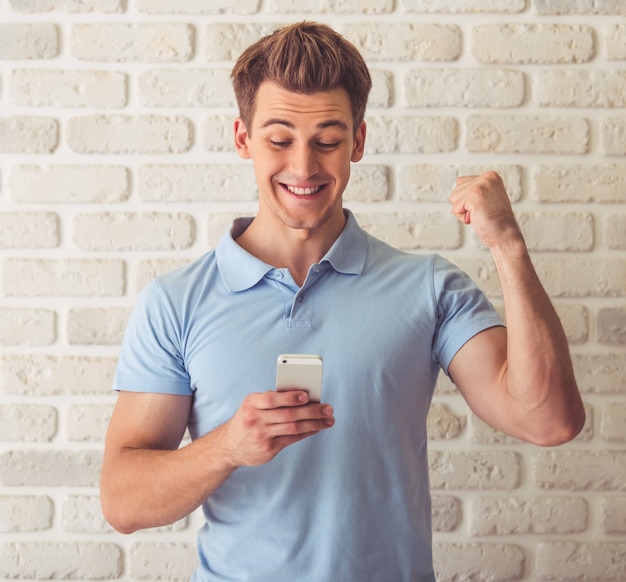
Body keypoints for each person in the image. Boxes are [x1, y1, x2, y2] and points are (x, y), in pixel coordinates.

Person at [100, 21, 585, 582]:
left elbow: (548, 421)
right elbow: (123, 502)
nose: (303, 167)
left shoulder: (427, 287)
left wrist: (508, 245)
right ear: (242, 139)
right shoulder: (176, 302)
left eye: (327, 141)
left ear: (357, 140)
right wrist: (228, 447)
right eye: (279, 139)